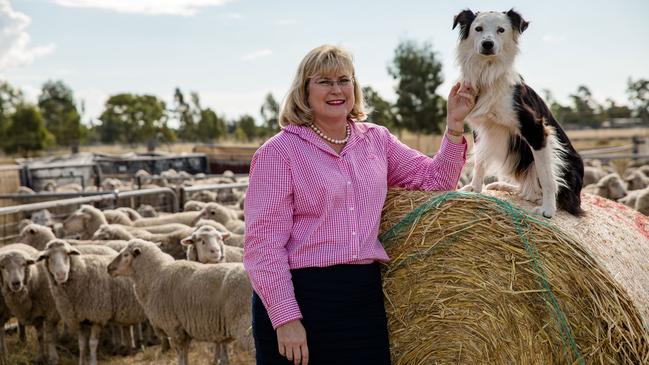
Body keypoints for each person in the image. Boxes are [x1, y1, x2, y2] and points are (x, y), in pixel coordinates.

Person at [244, 44, 476, 365]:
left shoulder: (377, 140)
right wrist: (286, 319)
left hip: (361, 297)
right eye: (324, 82)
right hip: (301, 297)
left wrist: (454, 125)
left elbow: (435, 180)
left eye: (344, 79)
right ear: (303, 91)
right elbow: (263, 245)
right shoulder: (278, 153)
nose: (336, 89)